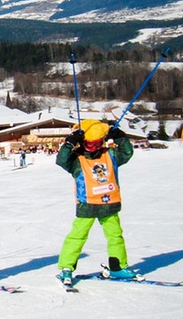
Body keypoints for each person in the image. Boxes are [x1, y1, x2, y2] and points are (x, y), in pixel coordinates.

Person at [57, 119, 141, 284]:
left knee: (115, 236)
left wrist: (119, 136)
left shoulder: (110, 154)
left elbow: (127, 152)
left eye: (96, 143)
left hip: (109, 204)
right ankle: (67, 267)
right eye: (88, 144)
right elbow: (62, 160)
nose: (92, 147)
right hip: (87, 205)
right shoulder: (77, 159)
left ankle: (118, 267)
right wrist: (70, 142)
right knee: (77, 236)